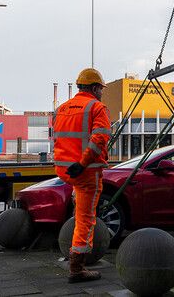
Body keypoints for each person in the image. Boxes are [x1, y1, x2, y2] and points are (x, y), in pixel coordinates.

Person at [52, 67, 111, 283]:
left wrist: (73, 165)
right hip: (86, 172)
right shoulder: (97, 108)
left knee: (80, 207)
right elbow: (99, 139)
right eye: (101, 89)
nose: (101, 93)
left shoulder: (62, 109)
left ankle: (78, 200)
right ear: (95, 88)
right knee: (86, 219)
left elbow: (59, 139)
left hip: (65, 169)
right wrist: (83, 163)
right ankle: (76, 268)